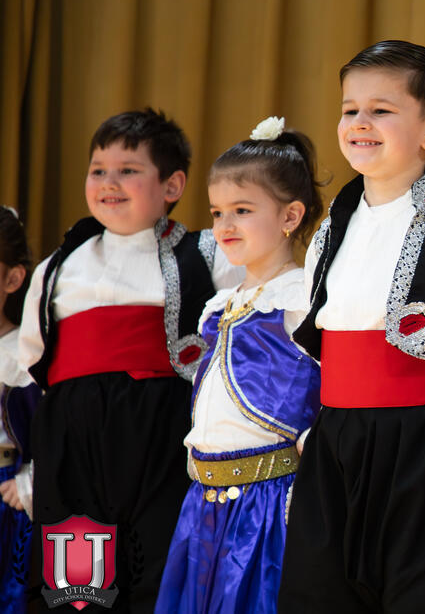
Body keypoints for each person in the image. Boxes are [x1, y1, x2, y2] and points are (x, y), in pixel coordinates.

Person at [278, 40, 425, 613]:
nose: (360, 122)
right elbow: (317, 339)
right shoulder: (329, 235)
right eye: (349, 109)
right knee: (321, 592)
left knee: (423, 592)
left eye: (381, 110)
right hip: (336, 440)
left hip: (421, 443)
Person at [19, 109, 242, 611]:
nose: (109, 183)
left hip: (165, 436)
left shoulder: (207, 254)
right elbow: (32, 356)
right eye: (98, 170)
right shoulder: (58, 267)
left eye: (128, 170)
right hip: (73, 443)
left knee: (157, 567)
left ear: (172, 185)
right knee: (76, 582)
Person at [156, 117, 323, 613]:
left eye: (242, 211)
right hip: (203, 500)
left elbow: (329, 398)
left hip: (269, 504)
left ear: (290, 215)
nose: (224, 226)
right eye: (217, 212)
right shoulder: (219, 305)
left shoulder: (302, 300)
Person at [0, 206, 39, 613]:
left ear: (12, 279)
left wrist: (28, 482)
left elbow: (53, 432)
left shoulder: (24, 355)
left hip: (5, 499)